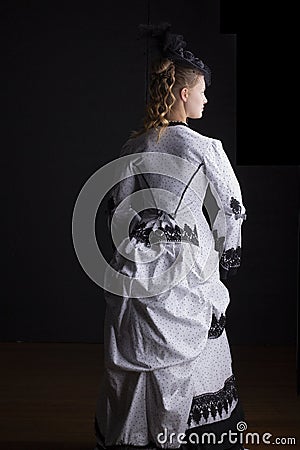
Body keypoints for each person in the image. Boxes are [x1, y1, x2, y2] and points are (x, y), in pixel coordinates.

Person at [93, 23, 248, 450]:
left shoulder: (133, 147)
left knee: (138, 349)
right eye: (200, 90)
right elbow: (232, 208)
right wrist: (225, 251)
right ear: (182, 93)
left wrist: (143, 239)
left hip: (141, 266)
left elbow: (117, 210)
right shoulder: (204, 147)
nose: (205, 98)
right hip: (188, 265)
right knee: (193, 351)